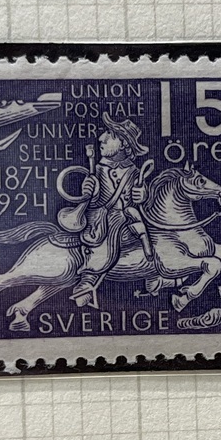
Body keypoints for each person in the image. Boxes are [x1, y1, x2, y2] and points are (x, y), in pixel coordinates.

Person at [59, 114, 155, 307]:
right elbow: (93, 199)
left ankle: (155, 264)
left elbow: (143, 197)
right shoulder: (97, 170)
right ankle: (88, 278)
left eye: (110, 135)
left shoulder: (134, 172)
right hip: (102, 218)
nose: (101, 138)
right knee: (108, 233)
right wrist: (89, 191)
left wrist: (143, 195)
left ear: (124, 144)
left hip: (128, 216)